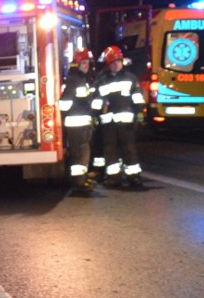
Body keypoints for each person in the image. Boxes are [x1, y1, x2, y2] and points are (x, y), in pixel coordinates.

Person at [94, 45, 145, 188]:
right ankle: (113, 177)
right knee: (110, 150)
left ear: (122, 62)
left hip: (126, 121)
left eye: (118, 62)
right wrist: (95, 114)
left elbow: (137, 97)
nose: (116, 65)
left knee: (129, 149)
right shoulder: (102, 80)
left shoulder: (130, 78)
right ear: (108, 65)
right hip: (108, 122)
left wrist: (140, 113)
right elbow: (96, 99)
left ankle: (133, 176)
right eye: (112, 63)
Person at [59, 48, 97, 190]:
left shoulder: (81, 79)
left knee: (83, 153)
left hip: (83, 125)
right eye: (83, 63)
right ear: (77, 64)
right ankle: (79, 182)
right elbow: (64, 103)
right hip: (76, 125)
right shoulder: (74, 81)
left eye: (87, 62)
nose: (86, 65)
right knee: (78, 154)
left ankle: (82, 178)